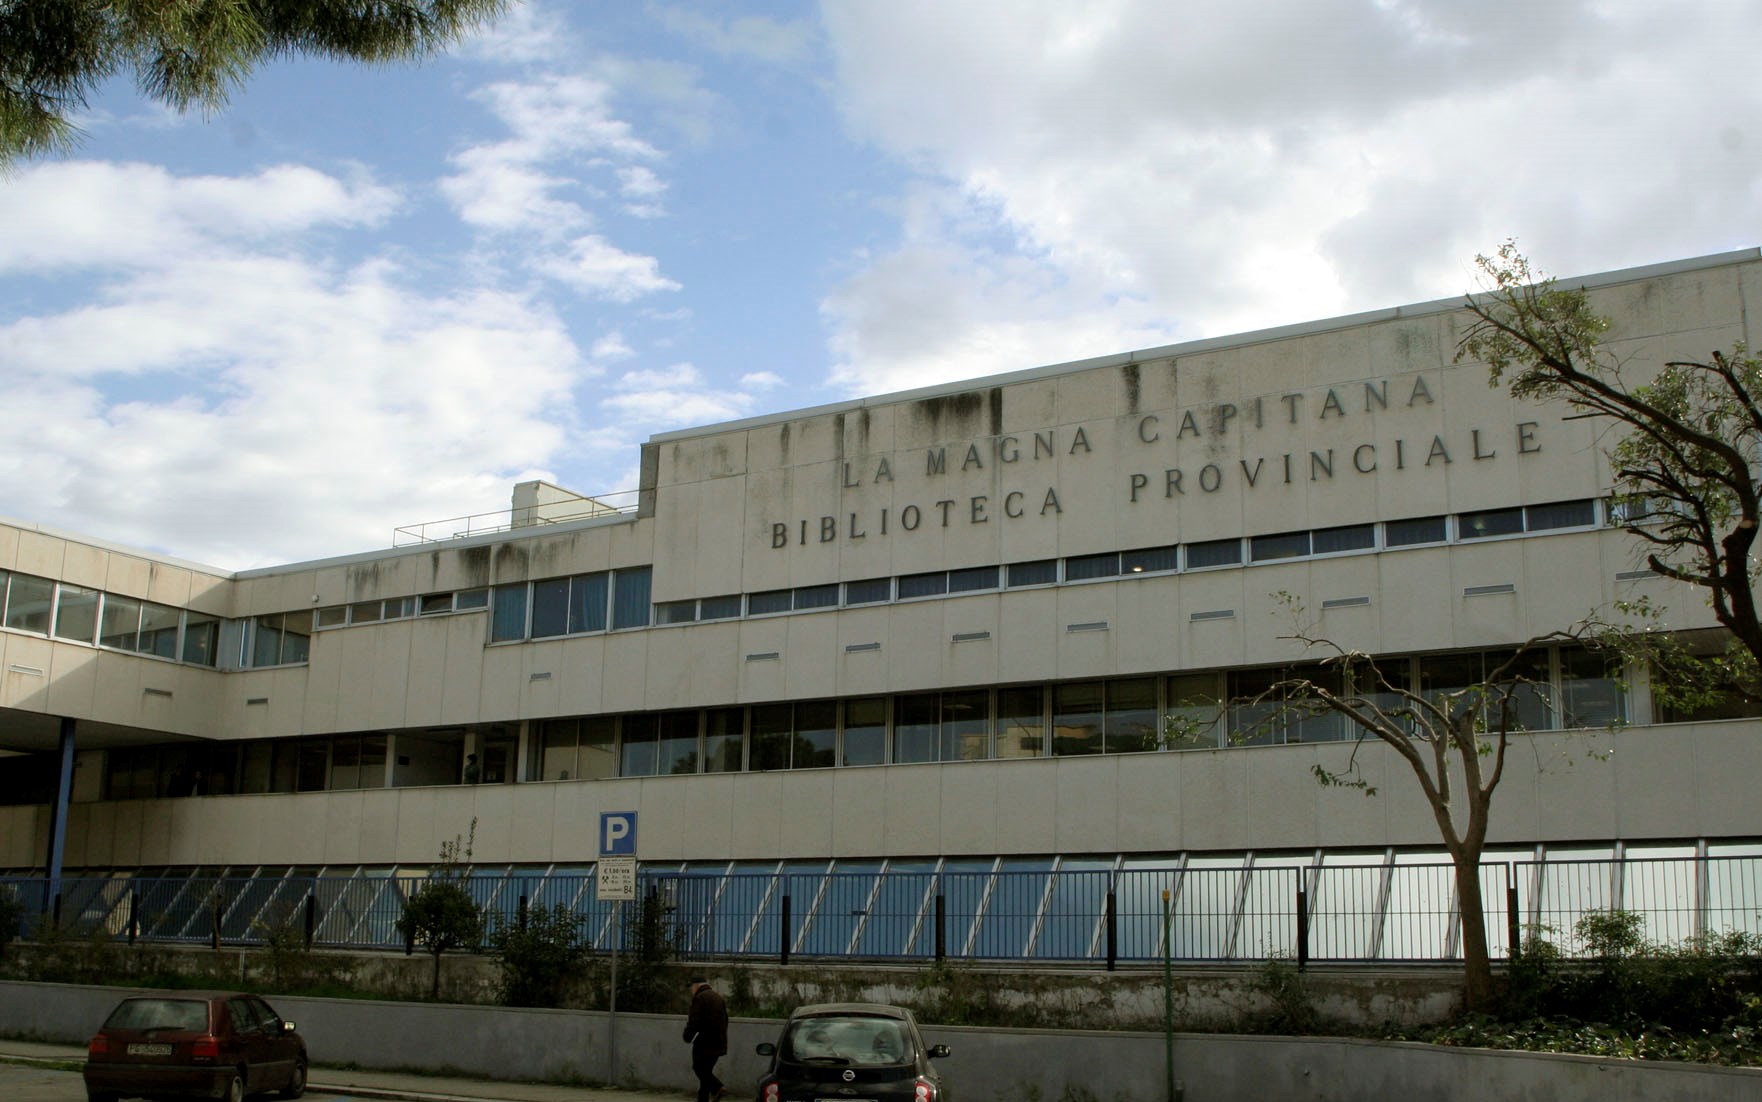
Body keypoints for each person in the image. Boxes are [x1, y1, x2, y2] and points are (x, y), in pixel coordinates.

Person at [682, 975, 728, 1102]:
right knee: (705, 1072)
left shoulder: (700, 998)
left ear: (696, 985)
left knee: (699, 1068)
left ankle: (717, 1087)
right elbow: (726, 1019)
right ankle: (703, 1098)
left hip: (704, 1042)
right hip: (718, 1042)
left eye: (691, 986)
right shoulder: (718, 997)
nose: (691, 990)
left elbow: (694, 1021)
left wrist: (687, 1035)